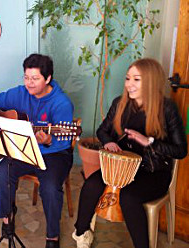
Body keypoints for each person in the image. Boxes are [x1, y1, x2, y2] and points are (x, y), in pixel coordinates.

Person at [72, 58, 188, 248]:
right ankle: (81, 233)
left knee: (129, 197)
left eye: (136, 79)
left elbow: (181, 150)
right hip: (123, 168)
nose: (129, 84)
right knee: (91, 185)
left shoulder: (167, 108)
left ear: (151, 81)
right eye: (128, 79)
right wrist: (108, 141)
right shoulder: (120, 103)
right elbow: (103, 130)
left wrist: (148, 141)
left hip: (154, 171)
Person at [0, 54, 74, 248]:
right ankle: (7, 219)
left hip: (54, 154)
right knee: (2, 171)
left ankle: (52, 236)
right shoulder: (19, 93)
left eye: (35, 79)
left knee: (50, 188)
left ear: (48, 78)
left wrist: (50, 140)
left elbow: (65, 142)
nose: (29, 83)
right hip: (24, 150)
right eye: (26, 77)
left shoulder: (62, 103)